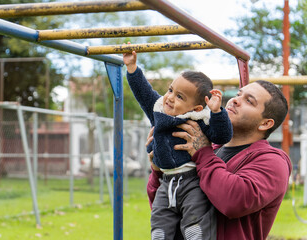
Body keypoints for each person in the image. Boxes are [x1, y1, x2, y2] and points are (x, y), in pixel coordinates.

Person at [147, 79, 292, 240]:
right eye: (238, 94)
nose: (235, 100)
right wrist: (159, 170)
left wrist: (202, 153)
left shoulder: (272, 161)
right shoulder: (208, 147)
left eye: (249, 101)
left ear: (265, 124)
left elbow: (234, 201)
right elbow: (167, 207)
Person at [123, 49, 233, 240]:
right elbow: (143, 92)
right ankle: (160, 235)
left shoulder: (199, 120)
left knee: (196, 215)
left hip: (192, 180)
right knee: (160, 217)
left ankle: (196, 234)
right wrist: (132, 68)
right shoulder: (159, 112)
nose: (170, 97)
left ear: (197, 108)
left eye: (180, 97)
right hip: (166, 181)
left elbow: (222, 136)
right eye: (171, 90)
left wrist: (217, 113)